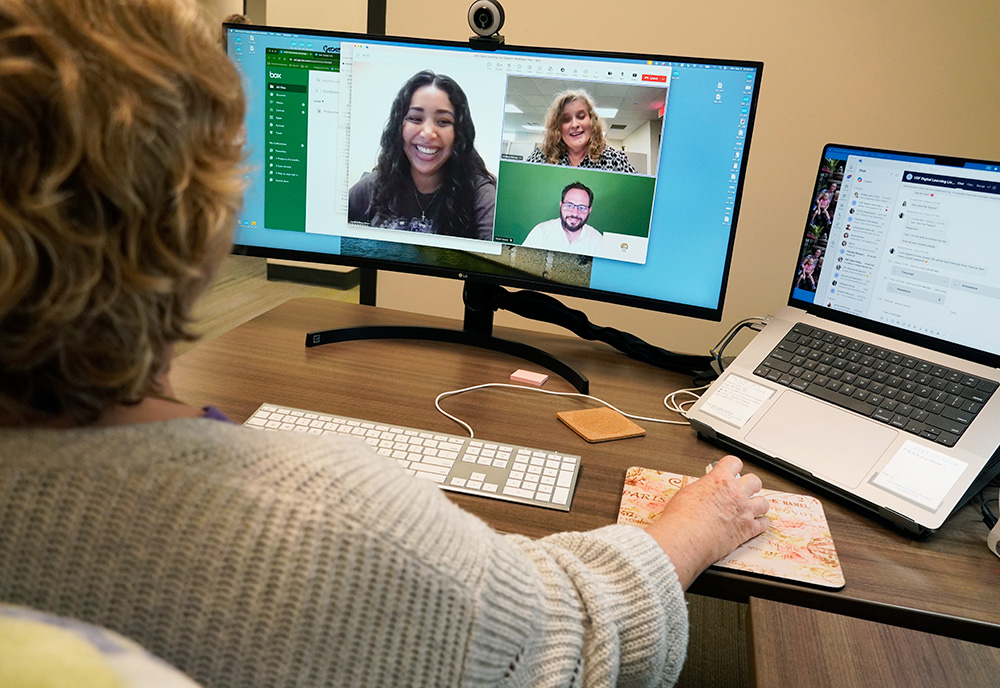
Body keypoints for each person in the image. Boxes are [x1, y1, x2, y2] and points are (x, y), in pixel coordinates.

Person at [0, 2, 771, 687]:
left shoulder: (487, 196)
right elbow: (572, 636)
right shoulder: (332, 523)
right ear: (198, 221)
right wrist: (700, 521)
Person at [348, 70, 496, 241]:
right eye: (415, 118)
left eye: (443, 121)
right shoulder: (374, 185)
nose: (427, 133)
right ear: (399, 126)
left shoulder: (481, 194)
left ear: (459, 133)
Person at [526, 89, 638, 172]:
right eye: (566, 119)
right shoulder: (540, 157)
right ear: (558, 127)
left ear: (591, 121)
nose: (574, 125)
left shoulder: (615, 160)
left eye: (581, 116)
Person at [522, 181, 604, 256]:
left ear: (589, 210)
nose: (575, 213)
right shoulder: (541, 232)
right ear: (561, 205)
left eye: (582, 208)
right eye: (569, 205)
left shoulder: (598, 241)